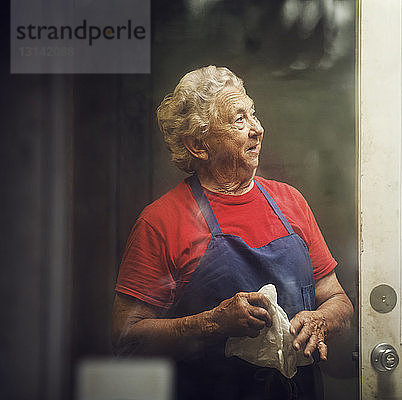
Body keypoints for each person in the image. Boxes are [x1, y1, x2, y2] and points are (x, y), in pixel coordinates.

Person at [111, 65, 353, 400]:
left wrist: (320, 321)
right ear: (198, 144)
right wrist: (212, 322)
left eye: (253, 114)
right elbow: (128, 338)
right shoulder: (161, 221)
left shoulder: (290, 202)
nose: (257, 129)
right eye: (239, 120)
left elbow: (337, 299)